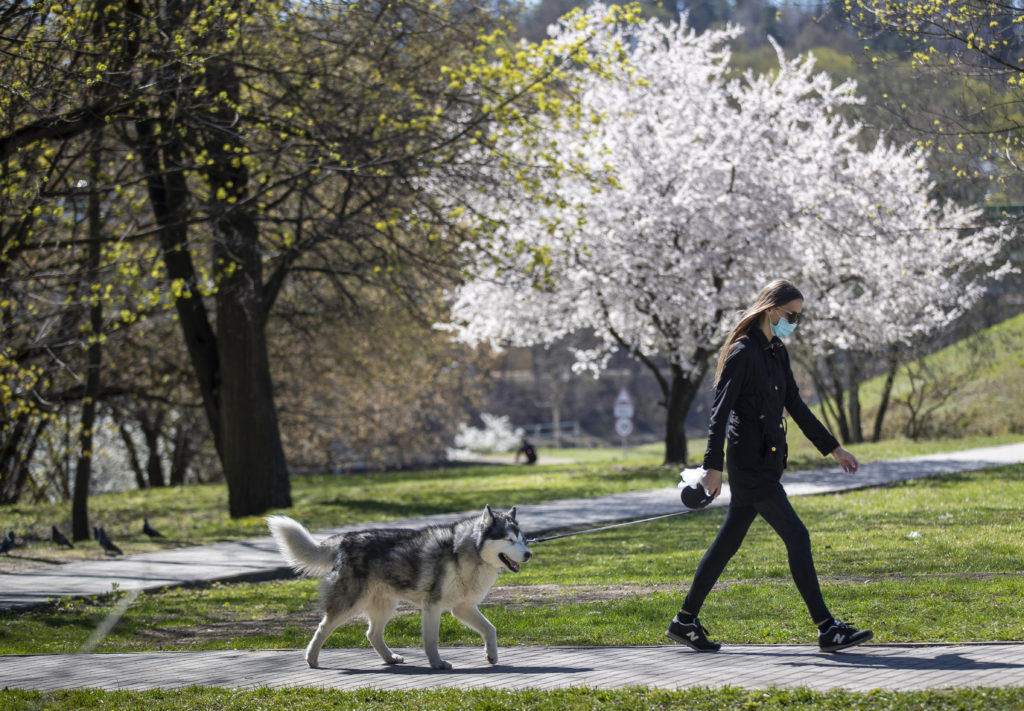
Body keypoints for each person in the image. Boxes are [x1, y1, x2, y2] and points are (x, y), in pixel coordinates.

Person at [666, 279, 873, 654]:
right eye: (792, 315)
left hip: (767, 461)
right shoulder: (742, 352)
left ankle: (685, 620)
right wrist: (713, 467)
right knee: (798, 537)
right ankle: (827, 628)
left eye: (799, 316)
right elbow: (719, 413)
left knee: (728, 542)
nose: (795, 322)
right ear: (771, 310)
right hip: (750, 465)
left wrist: (834, 449)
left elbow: (796, 405)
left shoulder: (777, 352)